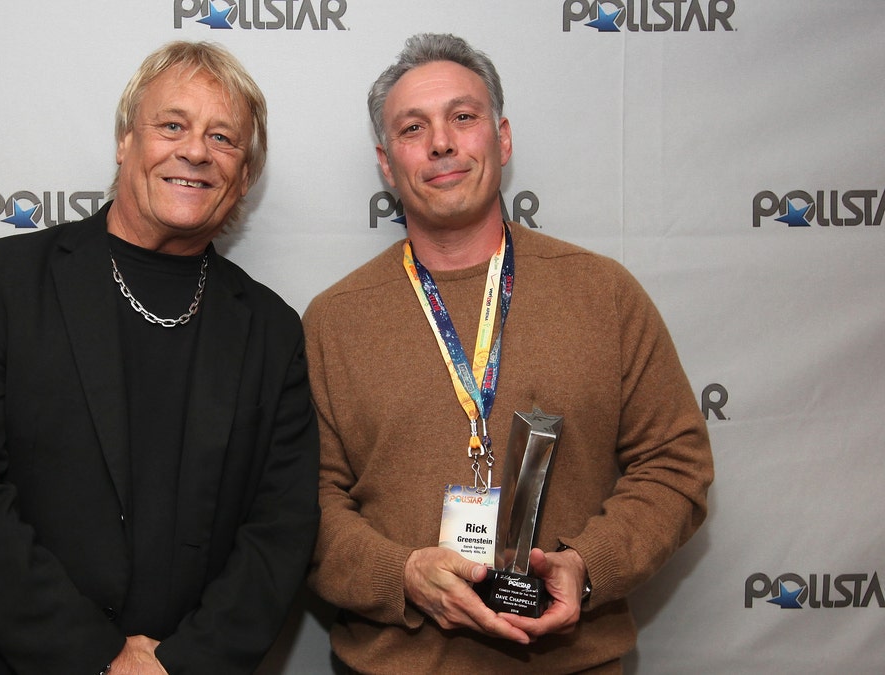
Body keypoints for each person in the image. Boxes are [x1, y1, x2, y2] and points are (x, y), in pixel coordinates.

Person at [304, 33, 713, 673]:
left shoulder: (603, 294)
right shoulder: (332, 322)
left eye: (463, 118)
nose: (441, 142)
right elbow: (305, 504)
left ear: (503, 138)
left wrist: (586, 565)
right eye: (414, 128)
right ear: (388, 164)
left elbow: (675, 465)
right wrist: (403, 574)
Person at [0, 41, 319, 675]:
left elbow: (281, 528)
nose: (195, 151)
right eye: (172, 126)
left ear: (243, 177)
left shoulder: (272, 330)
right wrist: (97, 658)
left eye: (224, 138)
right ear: (125, 141)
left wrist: (183, 663)